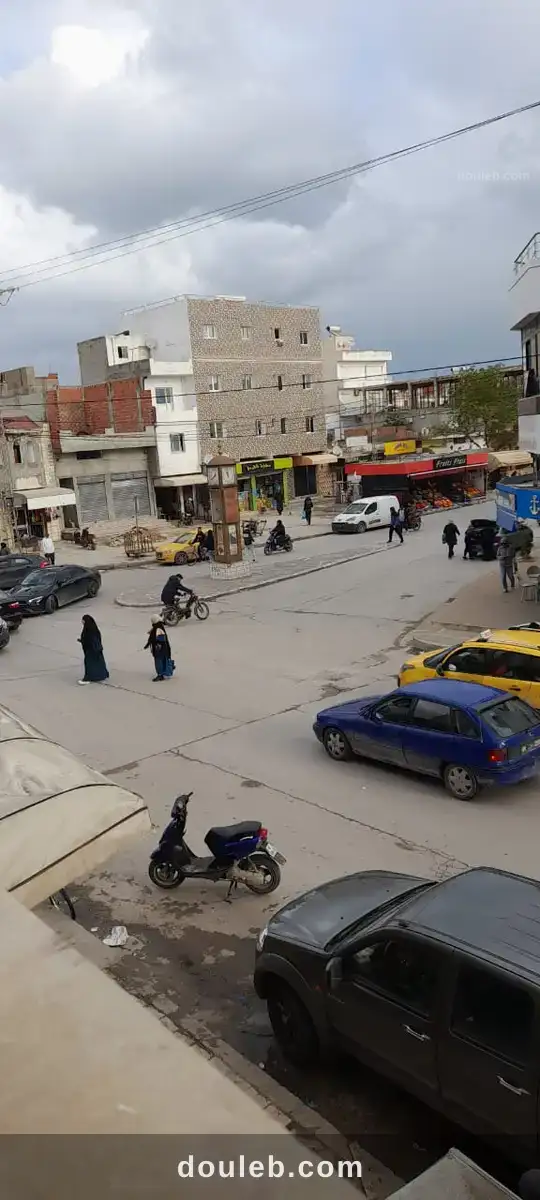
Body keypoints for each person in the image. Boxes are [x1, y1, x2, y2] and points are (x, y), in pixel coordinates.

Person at [78, 615, 109, 685]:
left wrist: (84, 641)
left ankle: (87, 678)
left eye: (83, 620)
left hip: (91, 651)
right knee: (99, 663)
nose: (82, 622)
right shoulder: (94, 629)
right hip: (97, 650)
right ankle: (102, 675)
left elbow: (91, 641)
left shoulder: (89, 631)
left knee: (89, 664)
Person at [145, 616, 175, 682]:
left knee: (159, 662)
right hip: (164, 649)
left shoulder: (158, 628)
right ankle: (166, 670)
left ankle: (160, 675)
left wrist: (155, 645)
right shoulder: (158, 627)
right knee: (163, 660)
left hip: (159, 650)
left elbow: (160, 640)